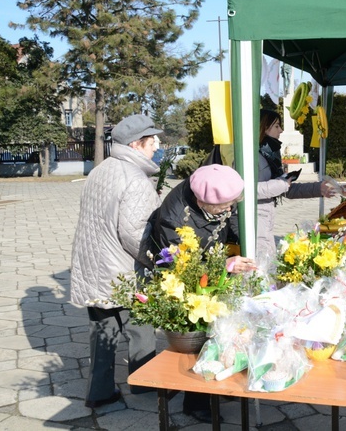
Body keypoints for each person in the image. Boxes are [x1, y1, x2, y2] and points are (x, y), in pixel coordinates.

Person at [70, 114, 163, 408]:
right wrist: (158, 262)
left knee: (102, 331)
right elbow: (136, 235)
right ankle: (144, 384)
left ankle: (99, 392)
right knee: (142, 326)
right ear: (137, 144)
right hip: (122, 270)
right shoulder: (134, 178)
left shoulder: (101, 170)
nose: (157, 145)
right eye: (152, 140)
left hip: (93, 266)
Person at [152, 164, 254, 422]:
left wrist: (246, 242)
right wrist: (225, 266)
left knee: (224, 331)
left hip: (211, 268)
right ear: (202, 201)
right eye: (223, 206)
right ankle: (195, 400)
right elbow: (183, 267)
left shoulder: (216, 189)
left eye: (232, 203)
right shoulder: (173, 219)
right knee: (196, 339)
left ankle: (221, 379)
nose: (229, 209)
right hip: (184, 282)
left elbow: (231, 220)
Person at [256, 108, 337, 259]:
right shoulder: (253, 157)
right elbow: (246, 190)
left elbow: (287, 189)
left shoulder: (270, 154)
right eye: (276, 126)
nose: (281, 131)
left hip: (265, 223)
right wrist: (281, 184)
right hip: (254, 225)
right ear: (264, 128)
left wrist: (317, 188)